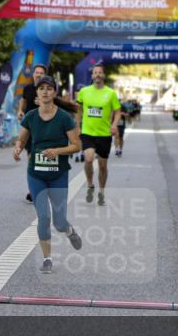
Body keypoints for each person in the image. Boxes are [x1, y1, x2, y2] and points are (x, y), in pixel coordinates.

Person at [13, 76, 82, 273]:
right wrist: (17, 149)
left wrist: (57, 151)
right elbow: (22, 140)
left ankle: (69, 231)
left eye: (49, 88)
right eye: (41, 88)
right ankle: (47, 258)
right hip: (36, 174)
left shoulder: (64, 118)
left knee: (59, 222)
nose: (45, 91)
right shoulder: (31, 117)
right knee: (43, 217)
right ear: (37, 93)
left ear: (54, 92)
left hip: (58, 175)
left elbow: (77, 146)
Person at [77, 63, 121, 206]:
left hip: (104, 134)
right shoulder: (84, 92)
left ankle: (101, 191)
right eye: (95, 72)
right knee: (88, 159)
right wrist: (78, 126)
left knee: (102, 165)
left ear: (103, 75)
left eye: (100, 72)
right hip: (88, 132)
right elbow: (78, 109)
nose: (97, 75)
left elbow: (118, 112)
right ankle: (90, 185)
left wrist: (114, 125)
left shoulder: (111, 93)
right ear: (92, 76)